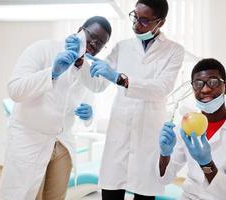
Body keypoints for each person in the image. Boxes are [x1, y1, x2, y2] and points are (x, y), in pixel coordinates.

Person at [66, 0, 184, 199]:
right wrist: (79, 62)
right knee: (112, 190)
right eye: (135, 17)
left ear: (160, 23)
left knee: (144, 192)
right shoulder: (122, 47)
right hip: (119, 134)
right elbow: (97, 84)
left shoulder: (174, 51)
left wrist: (121, 79)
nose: (136, 25)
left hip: (147, 136)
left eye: (144, 21)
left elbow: (161, 89)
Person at [0, 16, 112, 200]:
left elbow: (89, 104)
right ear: (80, 29)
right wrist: (52, 72)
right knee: (23, 194)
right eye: (92, 36)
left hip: (62, 142)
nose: (93, 44)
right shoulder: (43, 49)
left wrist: (89, 115)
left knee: (56, 197)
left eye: (100, 43)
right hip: (29, 138)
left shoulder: (87, 71)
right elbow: (15, 90)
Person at [158, 58, 226, 199]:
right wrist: (164, 155)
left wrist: (206, 164)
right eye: (198, 84)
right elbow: (164, 179)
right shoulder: (186, 126)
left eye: (213, 82)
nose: (205, 89)